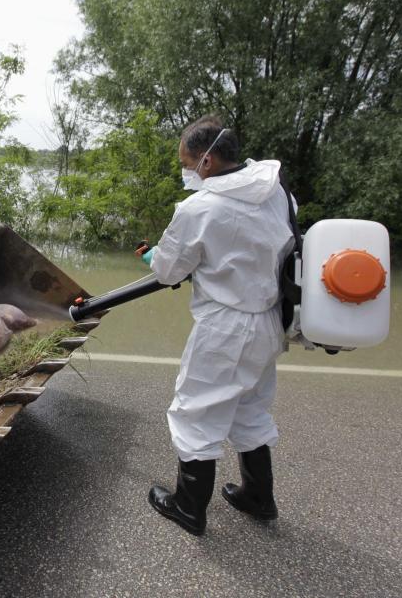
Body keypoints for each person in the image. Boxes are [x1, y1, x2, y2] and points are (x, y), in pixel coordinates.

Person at [143, 116, 295, 536]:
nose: (186, 171)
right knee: (249, 408)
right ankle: (259, 499)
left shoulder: (199, 208)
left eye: (187, 163)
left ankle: (188, 508)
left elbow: (168, 270)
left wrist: (154, 256)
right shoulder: (278, 193)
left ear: (207, 162)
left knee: (194, 412)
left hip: (226, 327)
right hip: (269, 320)